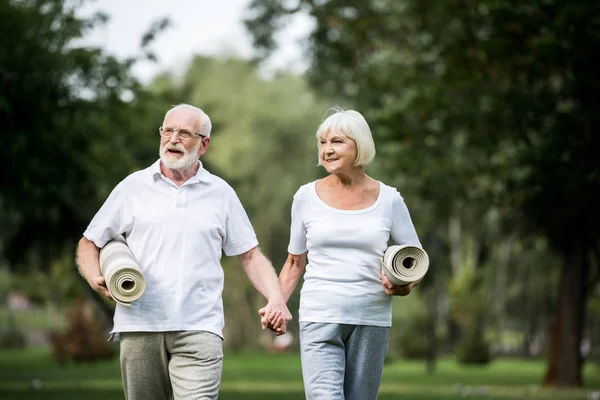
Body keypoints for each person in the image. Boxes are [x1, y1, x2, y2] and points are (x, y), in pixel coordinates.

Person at [76, 104, 291, 400]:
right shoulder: (132, 187)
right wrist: (93, 276)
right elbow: (89, 241)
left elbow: (250, 255)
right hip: (139, 325)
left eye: (184, 133)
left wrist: (276, 298)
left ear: (203, 144)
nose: (173, 138)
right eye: (168, 130)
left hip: (199, 327)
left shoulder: (221, 193)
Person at [264, 107, 423, 400]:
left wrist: (404, 286)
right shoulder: (305, 197)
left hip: (371, 318)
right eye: (322, 143)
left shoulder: (389, 199)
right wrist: (277, 303)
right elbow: (294, 261)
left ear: (359, 145)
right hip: (319, 314)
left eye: (337, 142)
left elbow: (415, 260)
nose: (326, 150)